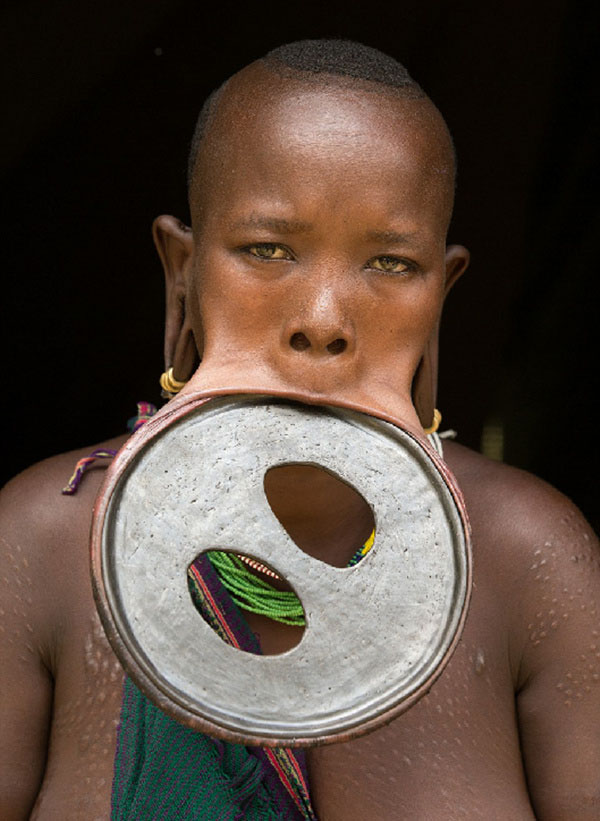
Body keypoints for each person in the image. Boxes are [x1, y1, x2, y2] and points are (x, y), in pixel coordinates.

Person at [1, 39, 599, 820]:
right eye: (267, 249)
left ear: (442, 295)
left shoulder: (533, 560)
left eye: (389, 264)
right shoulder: (40, 546)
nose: (323, 324)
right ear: (183, 270)